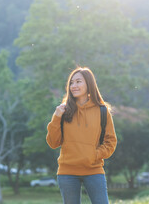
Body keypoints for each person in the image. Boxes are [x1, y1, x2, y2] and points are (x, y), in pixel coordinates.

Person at [46, 67, 117, 204]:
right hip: (67, 172)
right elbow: (53, 142)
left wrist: (94, 155)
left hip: (94, 170)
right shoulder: (63, 110)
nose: (74, 86)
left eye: (78, 82)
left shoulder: (102, 111)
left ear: (89, 84)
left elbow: (111, 142)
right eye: (71, 83)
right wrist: (56, 117)